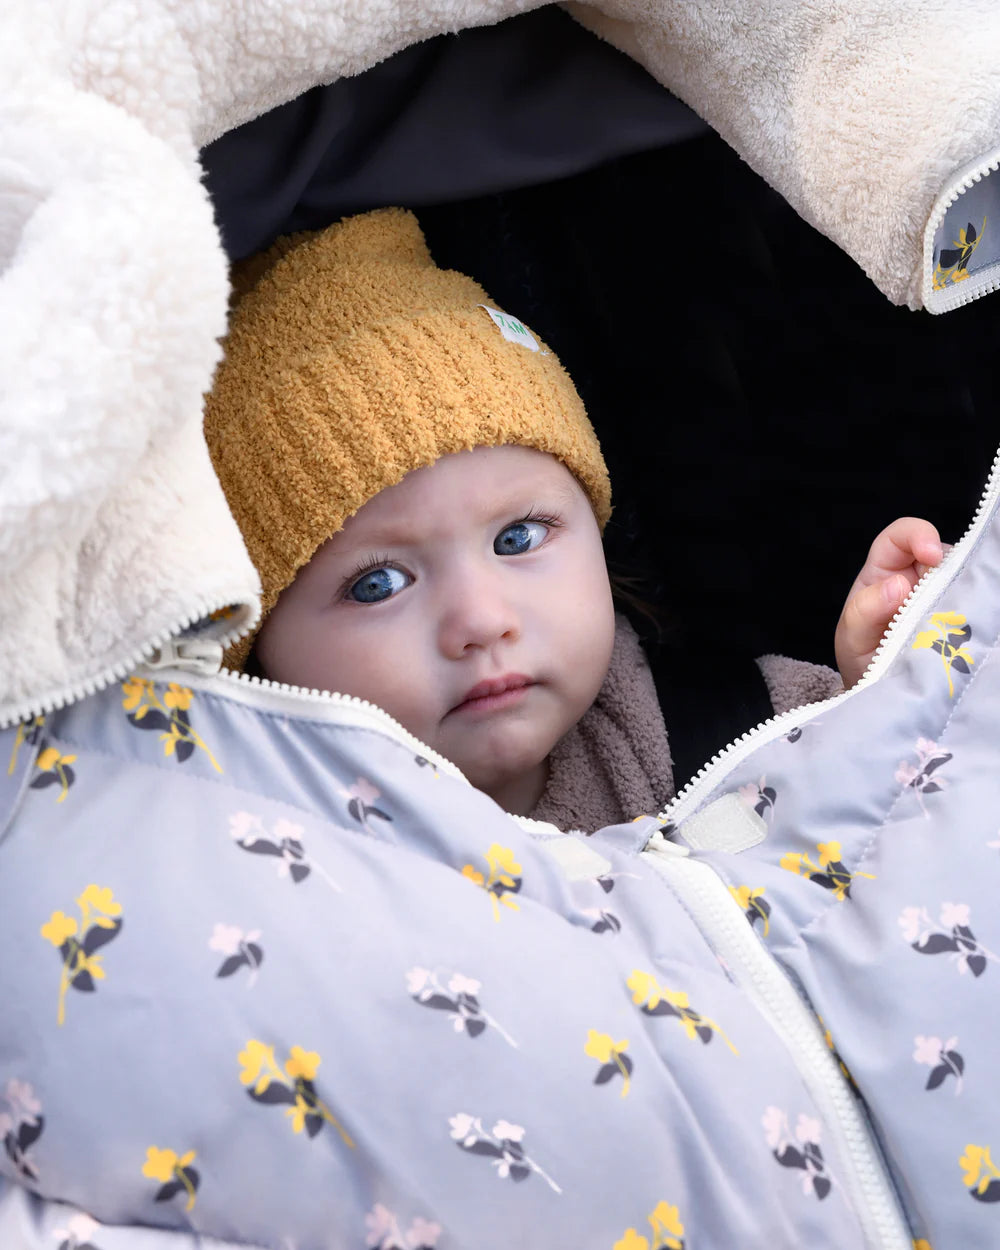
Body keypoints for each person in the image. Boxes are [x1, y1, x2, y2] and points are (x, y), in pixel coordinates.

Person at [204, 206, 944, 830]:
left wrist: (880, 690)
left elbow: (889, 825)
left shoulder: (734, 725)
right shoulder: (277, 870)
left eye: (517, 538)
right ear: (258, 647)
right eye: (377, 584)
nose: (481, 620)